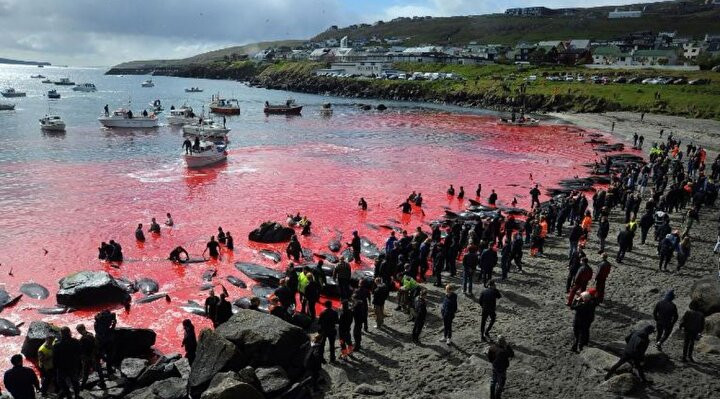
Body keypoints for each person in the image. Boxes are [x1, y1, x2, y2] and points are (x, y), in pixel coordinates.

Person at [53, 326, 81, 399]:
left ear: (61, 334)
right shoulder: (75, 342)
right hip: (73, 365)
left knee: (61, 382)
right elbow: (79, 353)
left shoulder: (57, 345)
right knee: (75, 381)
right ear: (69, 333)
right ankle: (77, 395)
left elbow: (55, 358)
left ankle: (68, 395)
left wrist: (56, 367)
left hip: (62, 367)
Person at [76, 324, 105, 389]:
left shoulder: (83, 338)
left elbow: (82, 349)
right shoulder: (90, 334)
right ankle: (103, 383)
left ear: (80, 330)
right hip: (94, 356)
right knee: (99, 370)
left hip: (88, 358)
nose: (79, 332)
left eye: (78, 331)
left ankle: (82, 386)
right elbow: (96, 345)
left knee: (85, 372)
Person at [93, 310, 116, 374]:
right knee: (109, 355)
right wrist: (114, 324)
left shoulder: (97, 322)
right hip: (107, 341)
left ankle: (98, 368)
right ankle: (109, 369)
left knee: (99, 355)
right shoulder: (106, 323)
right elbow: (110, 331)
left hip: (98, 339)